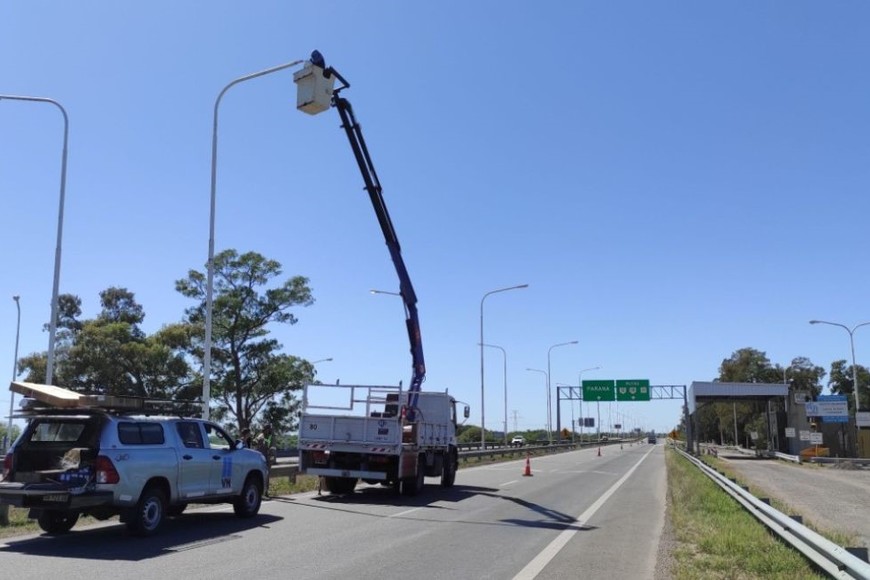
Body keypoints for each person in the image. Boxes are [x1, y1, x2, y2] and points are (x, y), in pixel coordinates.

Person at [255, 425, 275, 497]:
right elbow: (266, 446)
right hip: (263, 458)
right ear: (266, 429)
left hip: (265, 458)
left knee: (266, 476)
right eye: (269, 429)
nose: (270, 431)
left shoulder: (266, 436)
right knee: (264, 476)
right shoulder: (262, 437)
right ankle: (263, 492)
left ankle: (265, 492)